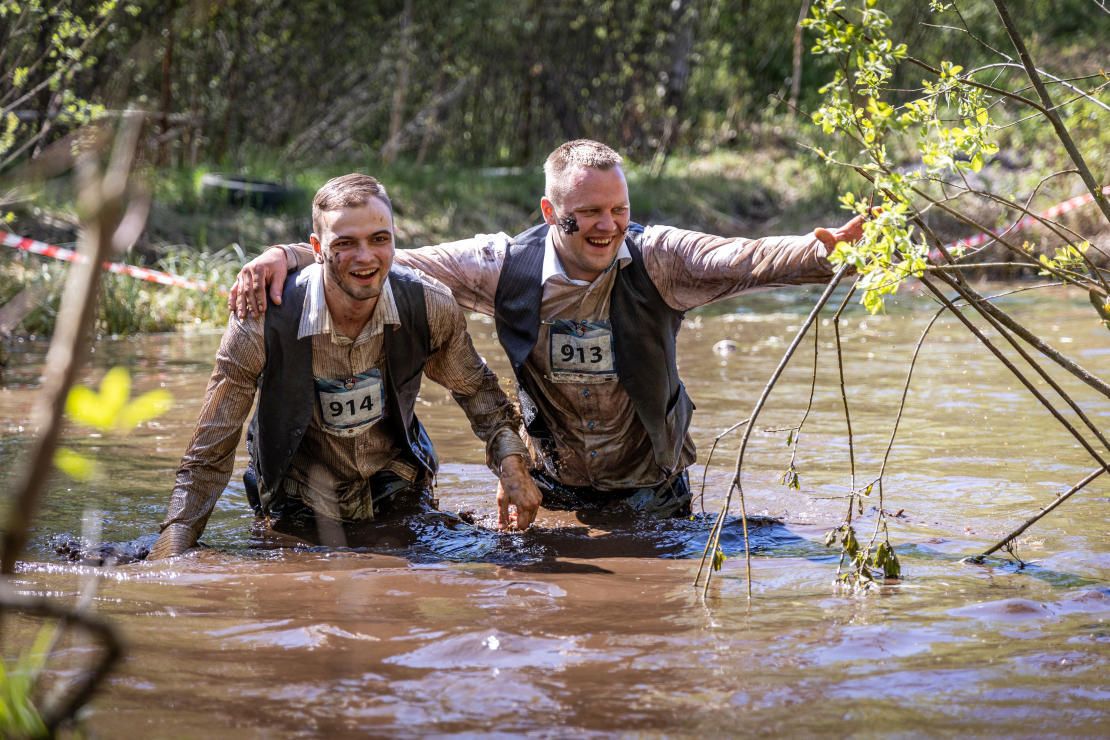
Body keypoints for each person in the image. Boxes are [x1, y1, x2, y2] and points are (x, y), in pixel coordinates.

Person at [229, 140, 865, 531]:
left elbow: (744, 259)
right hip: (554, 484)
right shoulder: (502, 266)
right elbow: (379, 258)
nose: (608, 226)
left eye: (619, 210)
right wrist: (288, 254)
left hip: (653, 486)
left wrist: (824, 251)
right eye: (588, 213)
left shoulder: (661, 258)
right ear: (549, 211)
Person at [149, 174, 542, 560]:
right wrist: (173, 546)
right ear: (317, 248)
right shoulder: (262, 320)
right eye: (345, 243)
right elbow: (210, 451)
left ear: (394, 240)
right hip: (296, 498)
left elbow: (478, 393)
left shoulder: (430, 305)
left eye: (379, 239)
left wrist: (512, 464)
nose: (365, 257)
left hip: (398, 487)